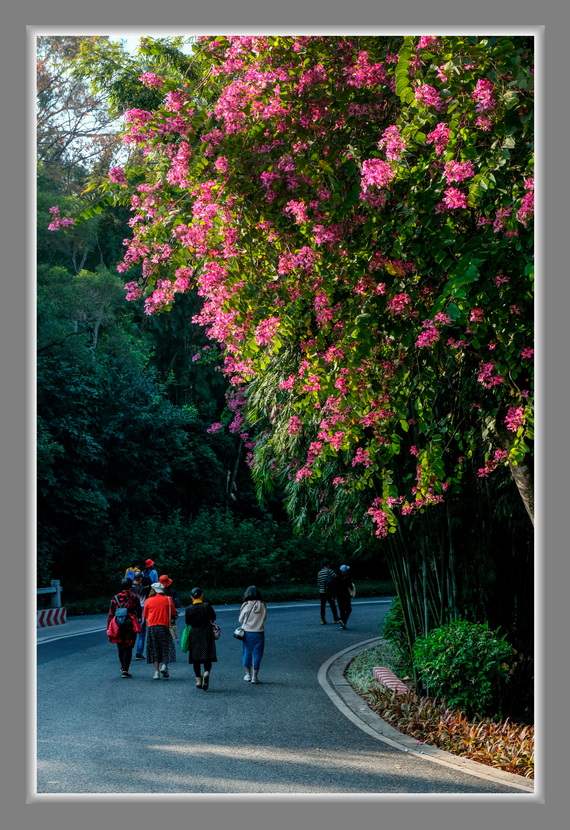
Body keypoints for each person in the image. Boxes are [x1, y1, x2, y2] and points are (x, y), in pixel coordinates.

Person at [107, 578, 142, 678]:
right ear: (130, 587)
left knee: (120, 646)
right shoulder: (134, 598)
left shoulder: (115, 598)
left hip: (117, 624)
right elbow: (139, 612)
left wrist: (109, 627)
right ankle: (125, 669)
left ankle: (122, 666)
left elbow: (111, 614)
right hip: (130, 624)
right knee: (129, 646)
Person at [142, 582, 177, 679]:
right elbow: (173, 613)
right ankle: (165, 665)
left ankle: (156, 672)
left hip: (152, 627)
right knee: (166, 647)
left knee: (154, 649)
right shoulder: (169, 600)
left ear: (153, 590)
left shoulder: (148, 601)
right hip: (164, 626)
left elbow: (145, 615)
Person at [185, 587, 217, 690]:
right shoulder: (206, 606)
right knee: (207, 655)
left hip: (194, 633)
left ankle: (198, 679)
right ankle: (206, 672)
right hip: (206, 632)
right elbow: (213, 617)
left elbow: (187, 622)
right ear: (201, 595)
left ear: (191, 597)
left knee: (196, 657)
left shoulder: (188, 608)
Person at [239, 586, 267, 684]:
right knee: (257, 653)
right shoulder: (262, 605)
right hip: (259, 633)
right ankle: (255, 677)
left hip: (247, 633)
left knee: (247, 652)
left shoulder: (245, 605)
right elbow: (264, 618)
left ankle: (247, 675)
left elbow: (240, 620)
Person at [133, 575, 152, 659]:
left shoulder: (130, 587)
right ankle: (138, 653)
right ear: (140, 578)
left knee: (131, 632)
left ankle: (129, 650)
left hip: (131, 609)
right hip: (141, 608)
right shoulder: (142, 588)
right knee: (141, 633)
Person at [317, 561, 341, 625]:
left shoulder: (319, 573)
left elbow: (319, 583)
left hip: (322, 591)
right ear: (327, 565)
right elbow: (336, 577)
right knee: (332, 605)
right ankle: (335, 618)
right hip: (329, 591)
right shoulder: (329, 571)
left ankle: (323, 620)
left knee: (322, 605)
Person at [336, 564, 355, 629]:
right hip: (345, 595)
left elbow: (334, 586)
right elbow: (350, 586)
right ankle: (343, 621)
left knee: (341, 609)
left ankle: (342, 624)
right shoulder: (347, 577)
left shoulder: (337, 577)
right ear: (346, 571)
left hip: (339, 595)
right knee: (349, 609)